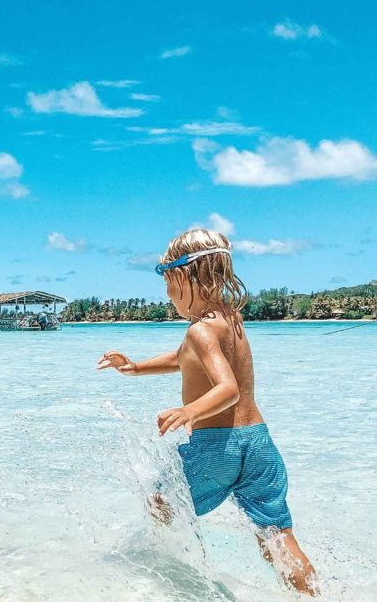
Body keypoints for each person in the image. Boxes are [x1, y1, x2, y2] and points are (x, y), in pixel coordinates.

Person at [97, 229, 318, 595]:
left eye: (168, 284)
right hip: (260, 447)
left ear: (186, 276)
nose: (168, 296)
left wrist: (190, 411)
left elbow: (227, 388)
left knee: (162, 504)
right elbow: (185, 360)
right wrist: (135, 367)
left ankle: (183, 579)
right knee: (277, 539)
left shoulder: (200, 330)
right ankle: (312, 595)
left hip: (218, 448)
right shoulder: (230, 318)